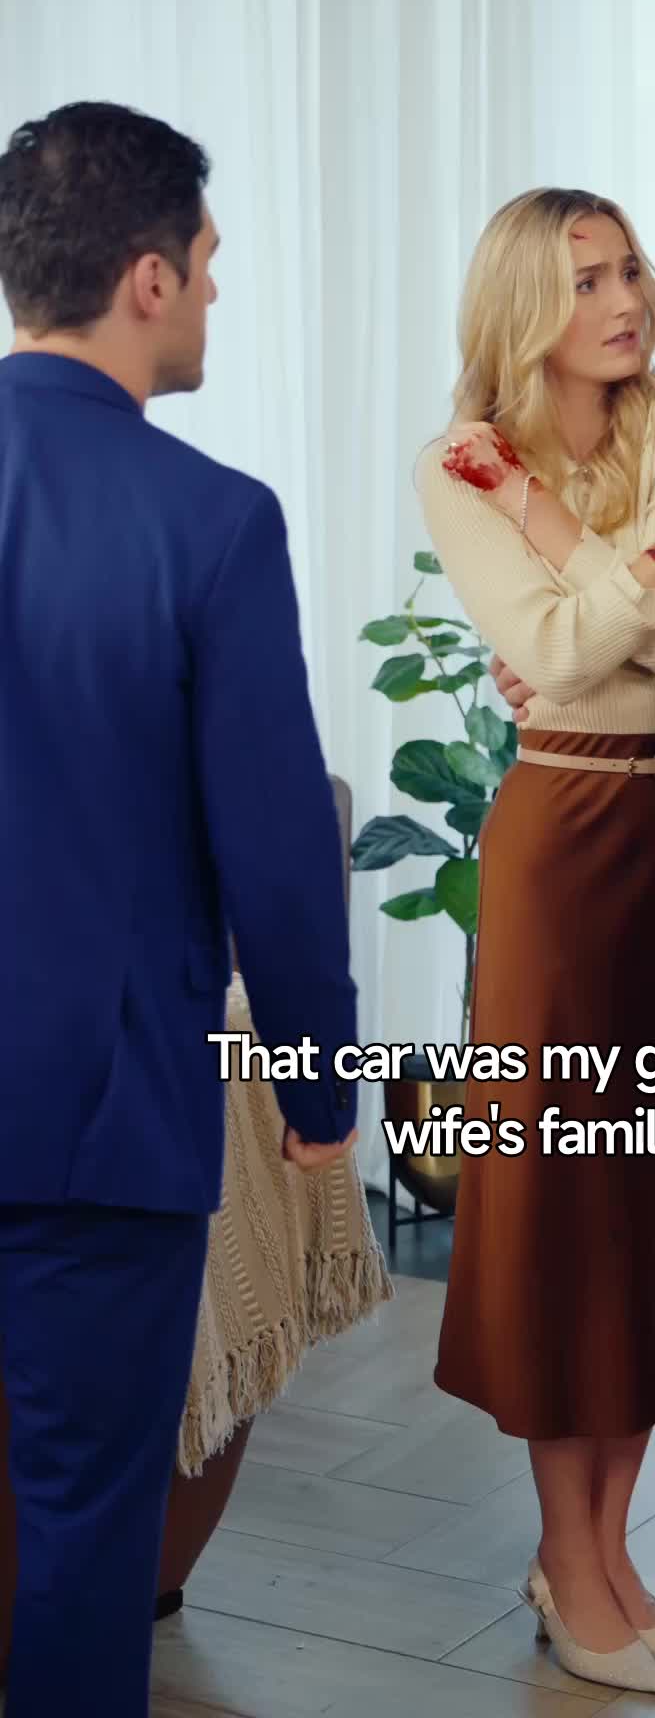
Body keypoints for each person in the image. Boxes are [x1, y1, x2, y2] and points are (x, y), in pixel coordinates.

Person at [417, 186, 655, 1699]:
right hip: (560, 846)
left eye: (629, 267)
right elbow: (566, 652)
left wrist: (568, 544)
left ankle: (606, 1548)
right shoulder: (463, 461)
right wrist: (654, 535)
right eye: (584, 280)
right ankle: (565, 1556)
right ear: (522, 304)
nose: (624, 298)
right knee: (567, 1203)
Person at [0, 101, 359, 1718]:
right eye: (207, 260)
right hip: (99, 1121)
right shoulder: (214, 521)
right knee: (87, 1533)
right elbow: (275, 851)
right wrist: (320, 1087)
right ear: (147, 277)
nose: (216, 290)